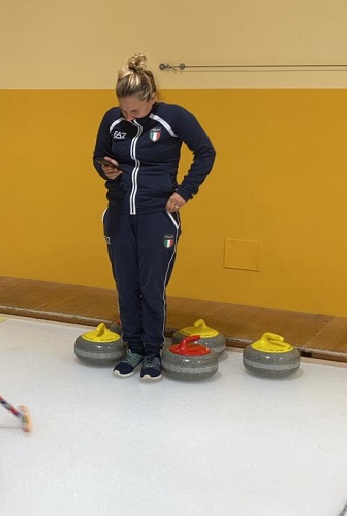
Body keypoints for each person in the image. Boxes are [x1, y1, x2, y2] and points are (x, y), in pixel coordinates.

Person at [93, 54, 216, 381]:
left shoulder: (174, 118)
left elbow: (206, 152)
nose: (128, 115)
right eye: (123, 109)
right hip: (119, 214)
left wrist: (185, 192)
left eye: (135, 110)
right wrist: (106, 170)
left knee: (151, 285)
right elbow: (97, 157)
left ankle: (151, 352)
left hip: (157, 217)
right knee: (126, 284)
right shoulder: (111, 120)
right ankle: (132, 347)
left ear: (153, 99)